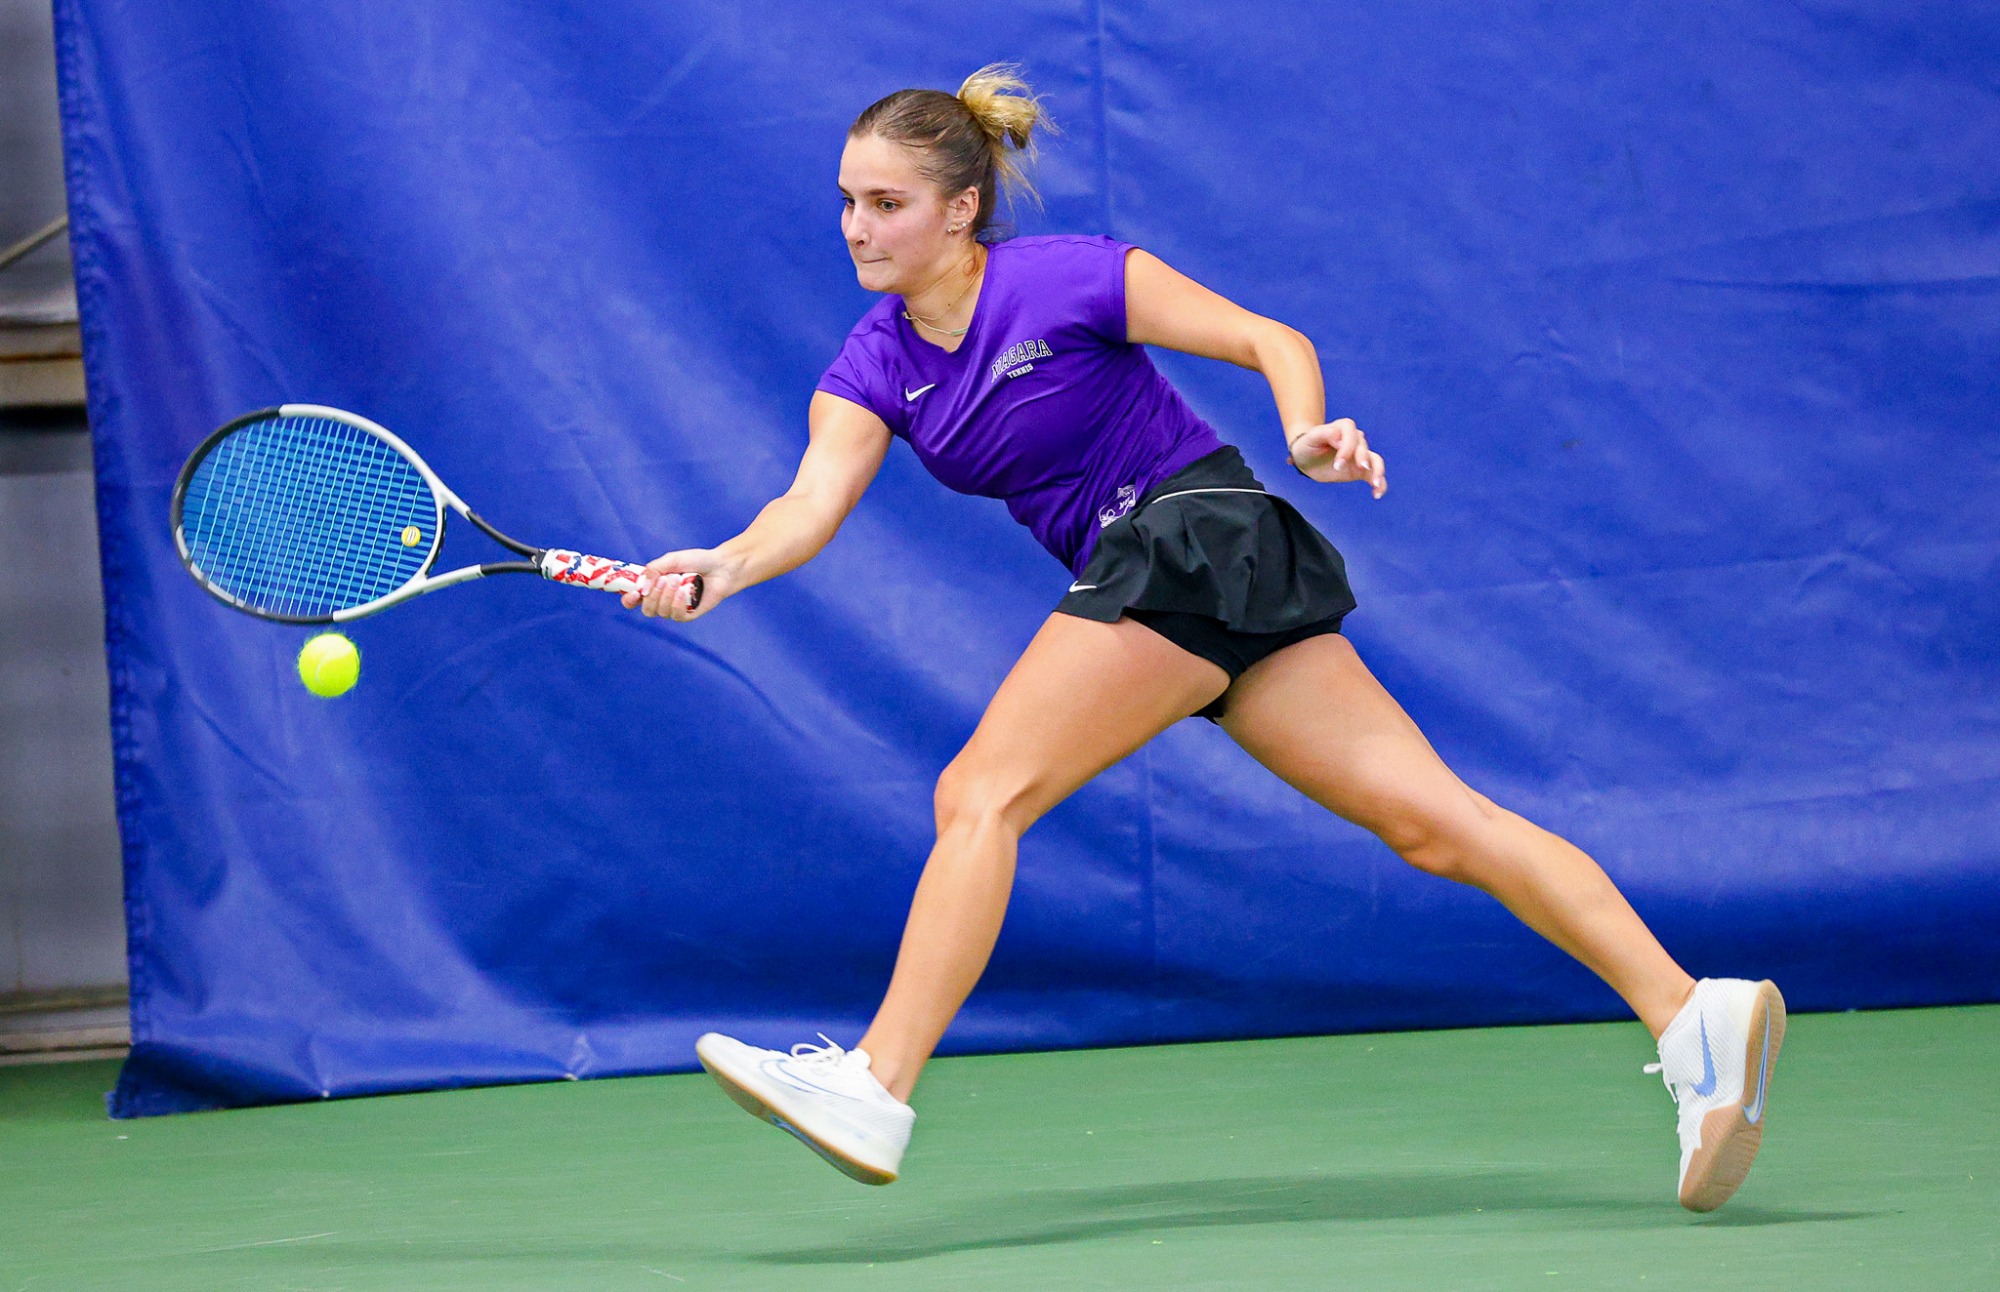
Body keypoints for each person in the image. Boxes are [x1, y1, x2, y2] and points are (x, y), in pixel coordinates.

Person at [625, 65, 1784, 1213]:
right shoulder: (875, 362)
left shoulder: (1066, 277)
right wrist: (720, 564)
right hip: (1190, 581)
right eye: (846, 202)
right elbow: (807, 508)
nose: (857, 228)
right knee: (1436, 825)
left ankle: (876, 1081)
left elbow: (1260, 335)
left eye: (886, 204)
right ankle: (1691, 1014)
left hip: (1193, 532)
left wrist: (1305, 430)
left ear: (960, 207)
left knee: (980, 792)